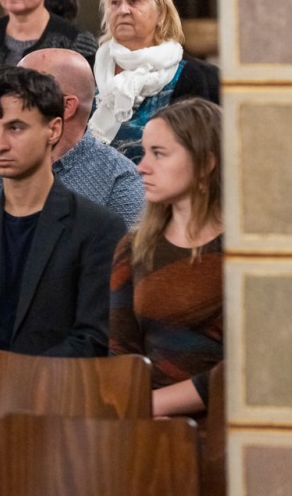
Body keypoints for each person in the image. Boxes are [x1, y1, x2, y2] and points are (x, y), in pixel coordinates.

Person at [0, 66, 126, 491]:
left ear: (54, 129)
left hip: (54, 402)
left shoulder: (97, 227)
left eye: (15, 127)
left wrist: (1, 393)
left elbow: (91, 340)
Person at [110, 98, 222, 421]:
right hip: (144, 418)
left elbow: (256, 360)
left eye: (158, 154)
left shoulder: (248, 252)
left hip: (227, 420)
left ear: (205, 163)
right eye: (144, 153)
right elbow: (121, 352)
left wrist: (156, 405)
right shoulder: (134, 248)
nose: (141, 166)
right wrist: (135, 408)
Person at [0, 48, 145, 226]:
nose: (9, 99)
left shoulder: (120, 179)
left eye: (26, 91)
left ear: (67, 107)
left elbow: (127, 248)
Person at [89, 0, 219, 163]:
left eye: (134, 1)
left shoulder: (194, 77)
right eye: (114, 2)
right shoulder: (86, 68)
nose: (122, 10)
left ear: (161, 13)